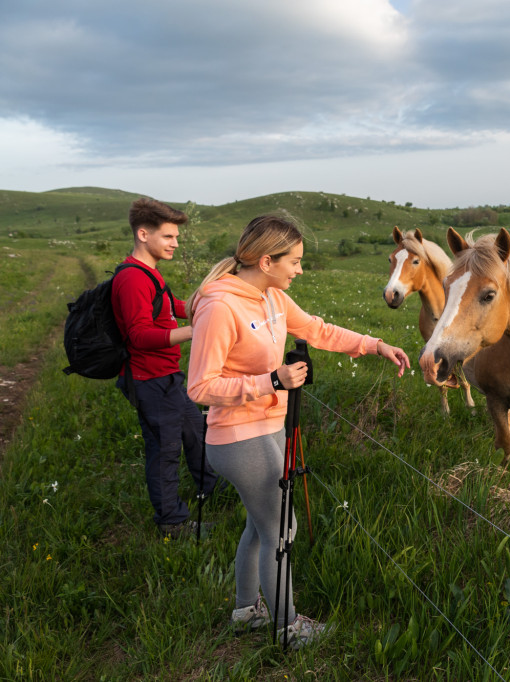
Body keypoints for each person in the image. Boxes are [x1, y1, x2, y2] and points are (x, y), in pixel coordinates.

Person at [186, 213, 410, 648]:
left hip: (269, 426)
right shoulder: (220, 306)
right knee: (279, 530)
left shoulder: (271, 297)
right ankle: (286, 628)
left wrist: (375, 345)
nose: (300, 269)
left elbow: (317, 330)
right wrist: (271, 381)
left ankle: (247, 611)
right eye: (296, 260)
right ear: (267, 260)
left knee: (260, 524)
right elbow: (200, 387)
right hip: (237, 436)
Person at [112, 197, 220, 539]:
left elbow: (172, 307)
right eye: (169, 237)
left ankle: (210, 491)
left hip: (168, 377)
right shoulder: (132, 279)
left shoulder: (150, 275)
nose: (175, 243)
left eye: (176, 237)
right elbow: (139, 336)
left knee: (196, 431)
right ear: (144, 234)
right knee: (166, 449)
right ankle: (172, 523)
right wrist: (195, 331)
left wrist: (213, 306)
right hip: (148, 381)